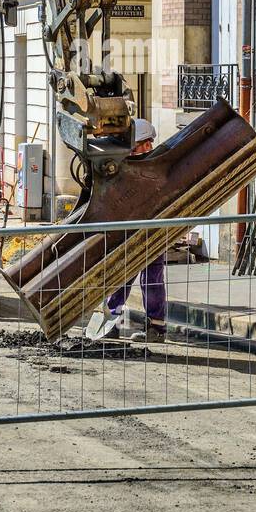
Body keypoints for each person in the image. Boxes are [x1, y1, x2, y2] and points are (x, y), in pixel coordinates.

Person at [86, 118, 167, 343]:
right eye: (142, 143)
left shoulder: (148, 166)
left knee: (151, 278)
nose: (146, 147)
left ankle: (156, 327)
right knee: (122, 275)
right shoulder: (126, 166)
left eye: (147, 143)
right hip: (132, 230)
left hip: (150, 230)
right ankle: (113, 320)